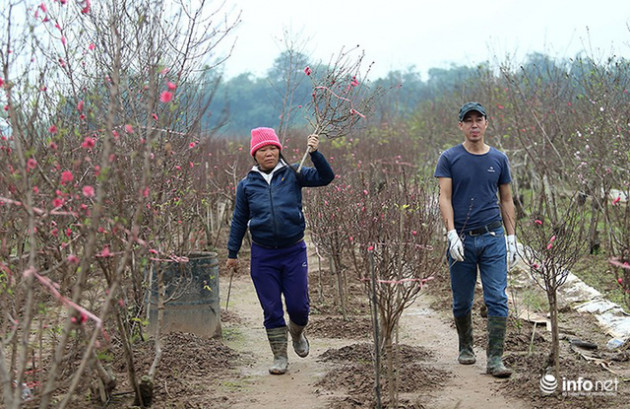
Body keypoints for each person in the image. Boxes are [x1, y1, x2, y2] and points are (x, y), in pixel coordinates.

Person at [226, 127, 334, 375]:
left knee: (298, 306)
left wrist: (316, 153)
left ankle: (296, 333)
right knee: (271, 308)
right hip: (263, 255)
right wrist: (232, 253)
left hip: (293, 251)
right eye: (263, 149)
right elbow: (239, 219)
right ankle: (279, 356)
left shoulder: (294, 173)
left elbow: (326, 177)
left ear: (279, 150)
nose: (269, 153)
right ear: (255, 154)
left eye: (273, 148)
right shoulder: (246, 185)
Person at [434, 102, 517, 378]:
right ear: (460, 125)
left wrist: (512, 237)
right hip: (462, 240)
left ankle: (495, 358)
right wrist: (451, 233)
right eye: (468, 120)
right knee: (462, 300)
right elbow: (444, 197)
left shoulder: (499, 159)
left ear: (486, 123)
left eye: (478, 119)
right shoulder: (449, 158)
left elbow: (506, 199)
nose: (473, 125)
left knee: (496, 297)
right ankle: (465, 345)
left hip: (493, 237)